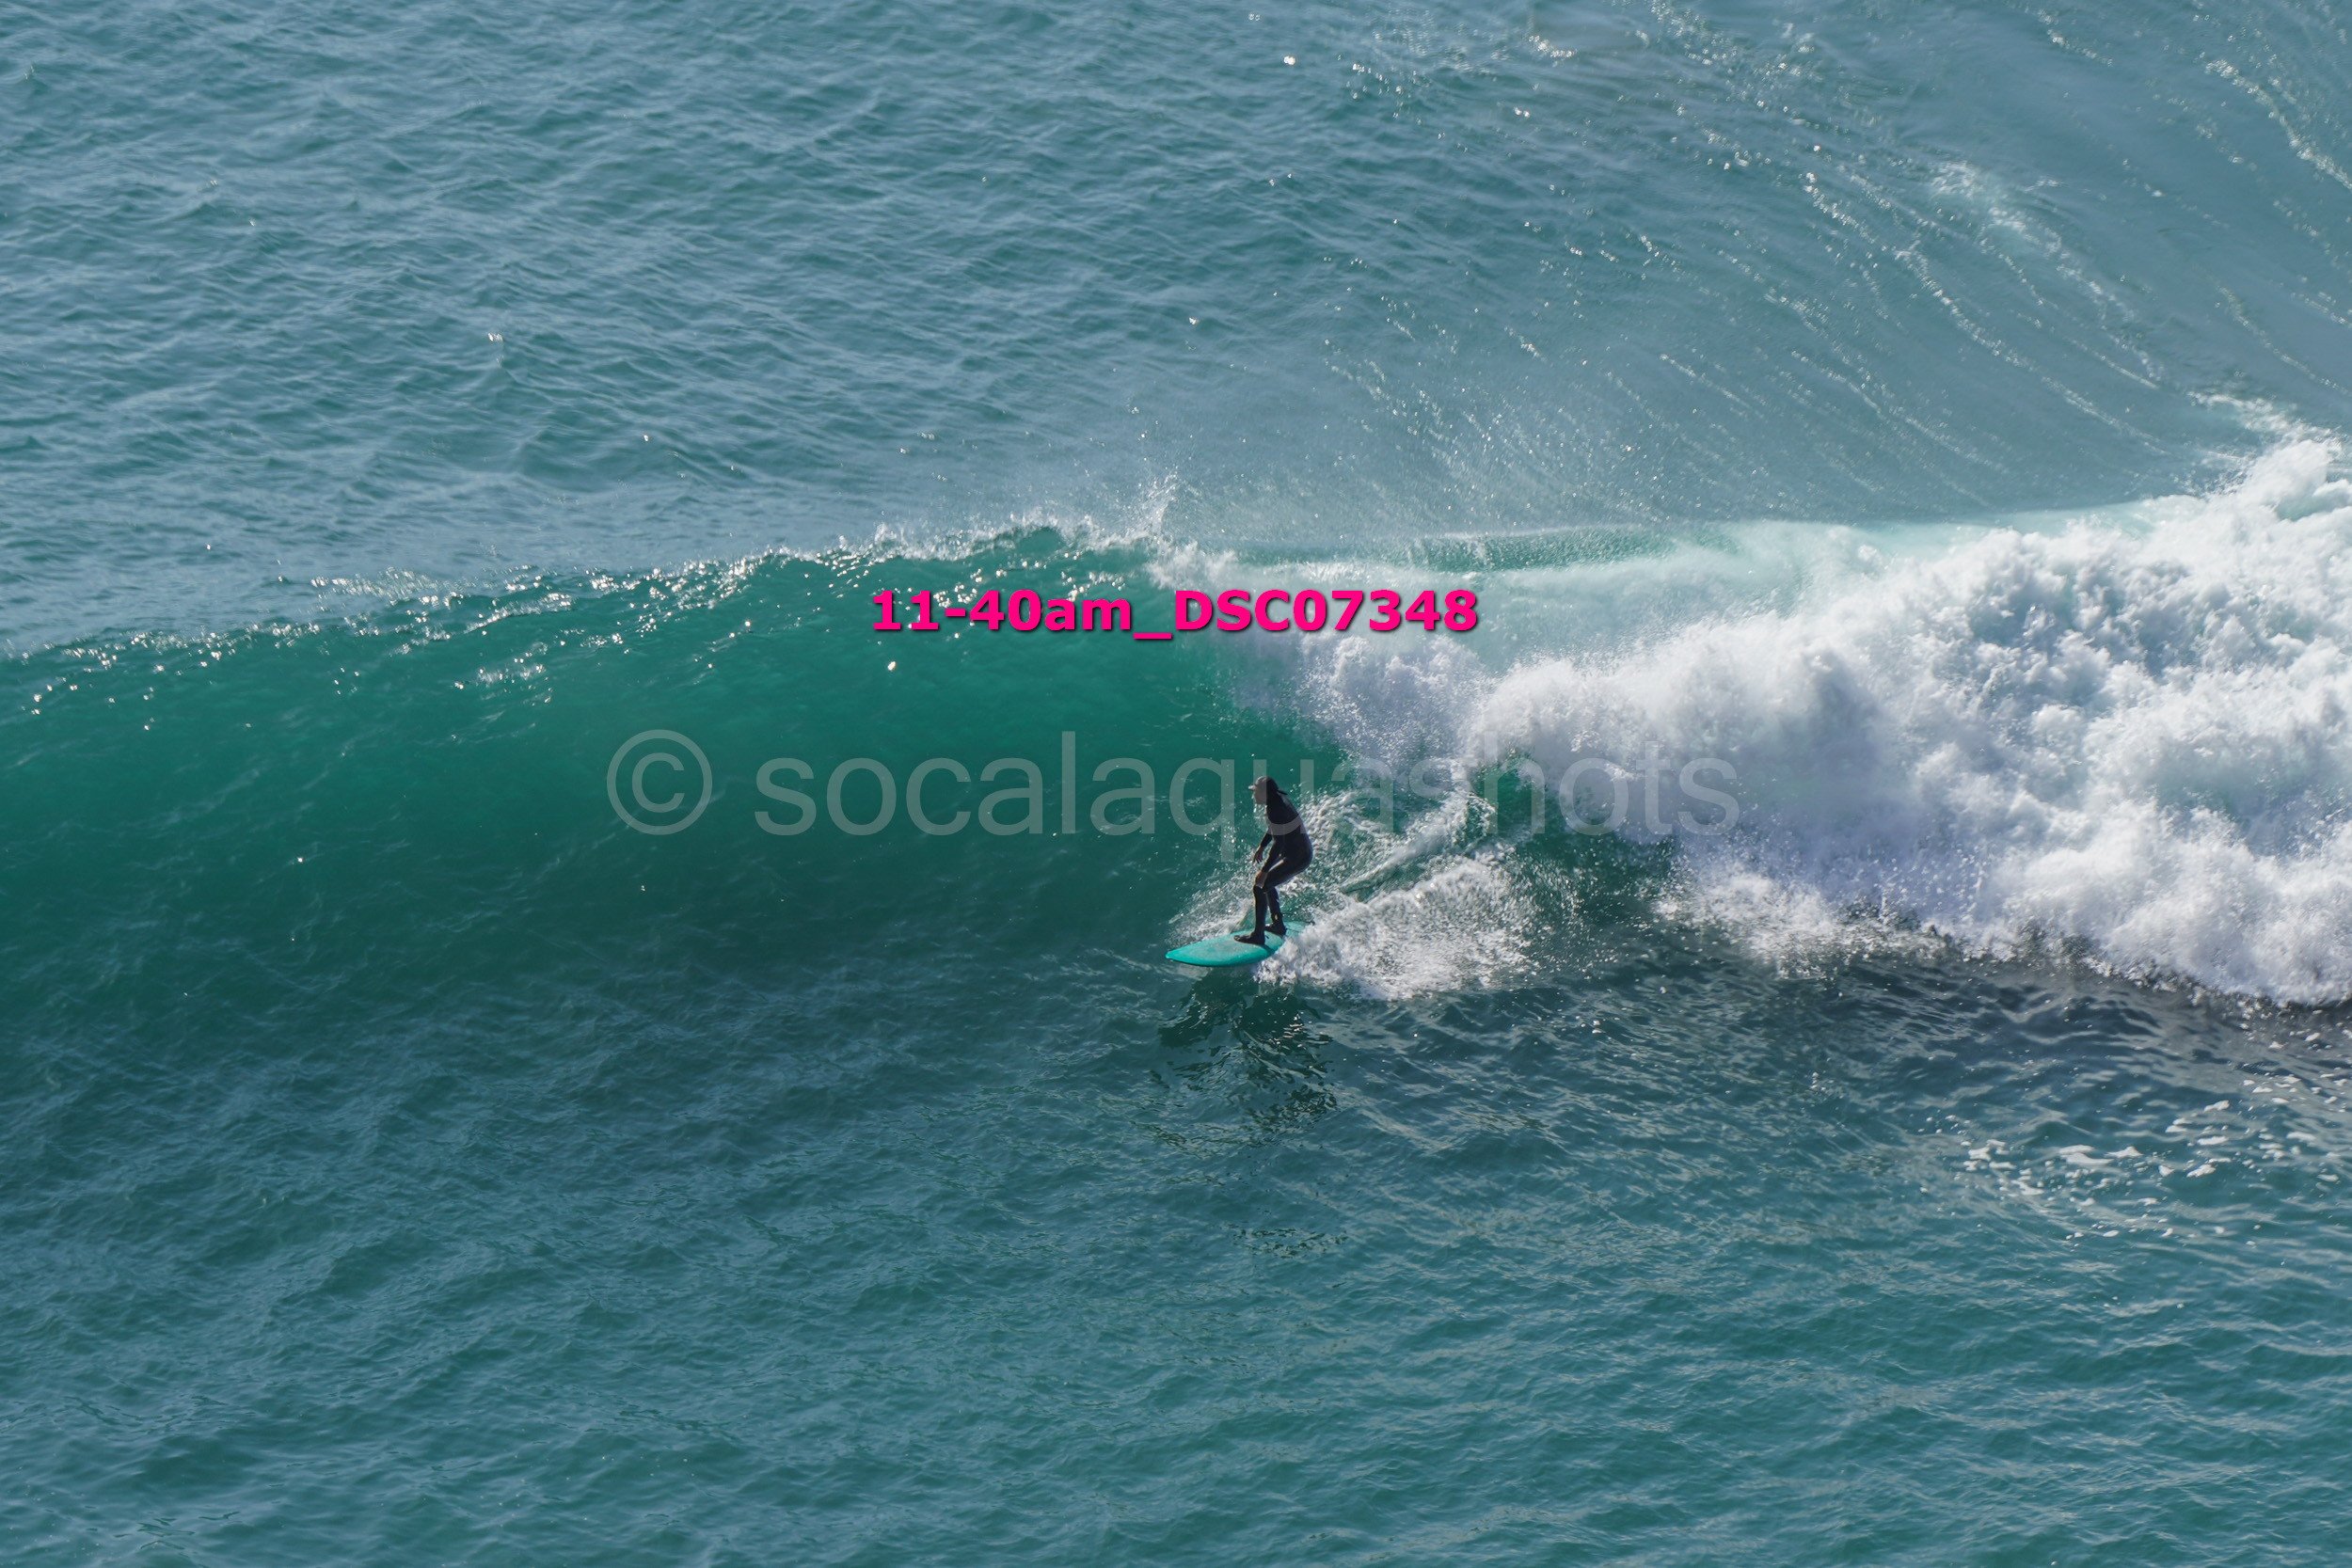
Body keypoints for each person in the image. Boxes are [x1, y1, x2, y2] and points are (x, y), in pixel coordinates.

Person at [1238, 775, 1311, 945]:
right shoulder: (1277, 800)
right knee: (1267, 885)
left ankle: (1258, 935)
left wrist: (1264, 871)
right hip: (1298, 853)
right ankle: (1278, 924)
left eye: (1255, 792)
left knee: (1261, 886)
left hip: (1297, 857)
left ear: (1264, 793)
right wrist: (1262, 846)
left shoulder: (1276, 808)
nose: (1253, 796)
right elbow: (1275, 828)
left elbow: (1279, 844)